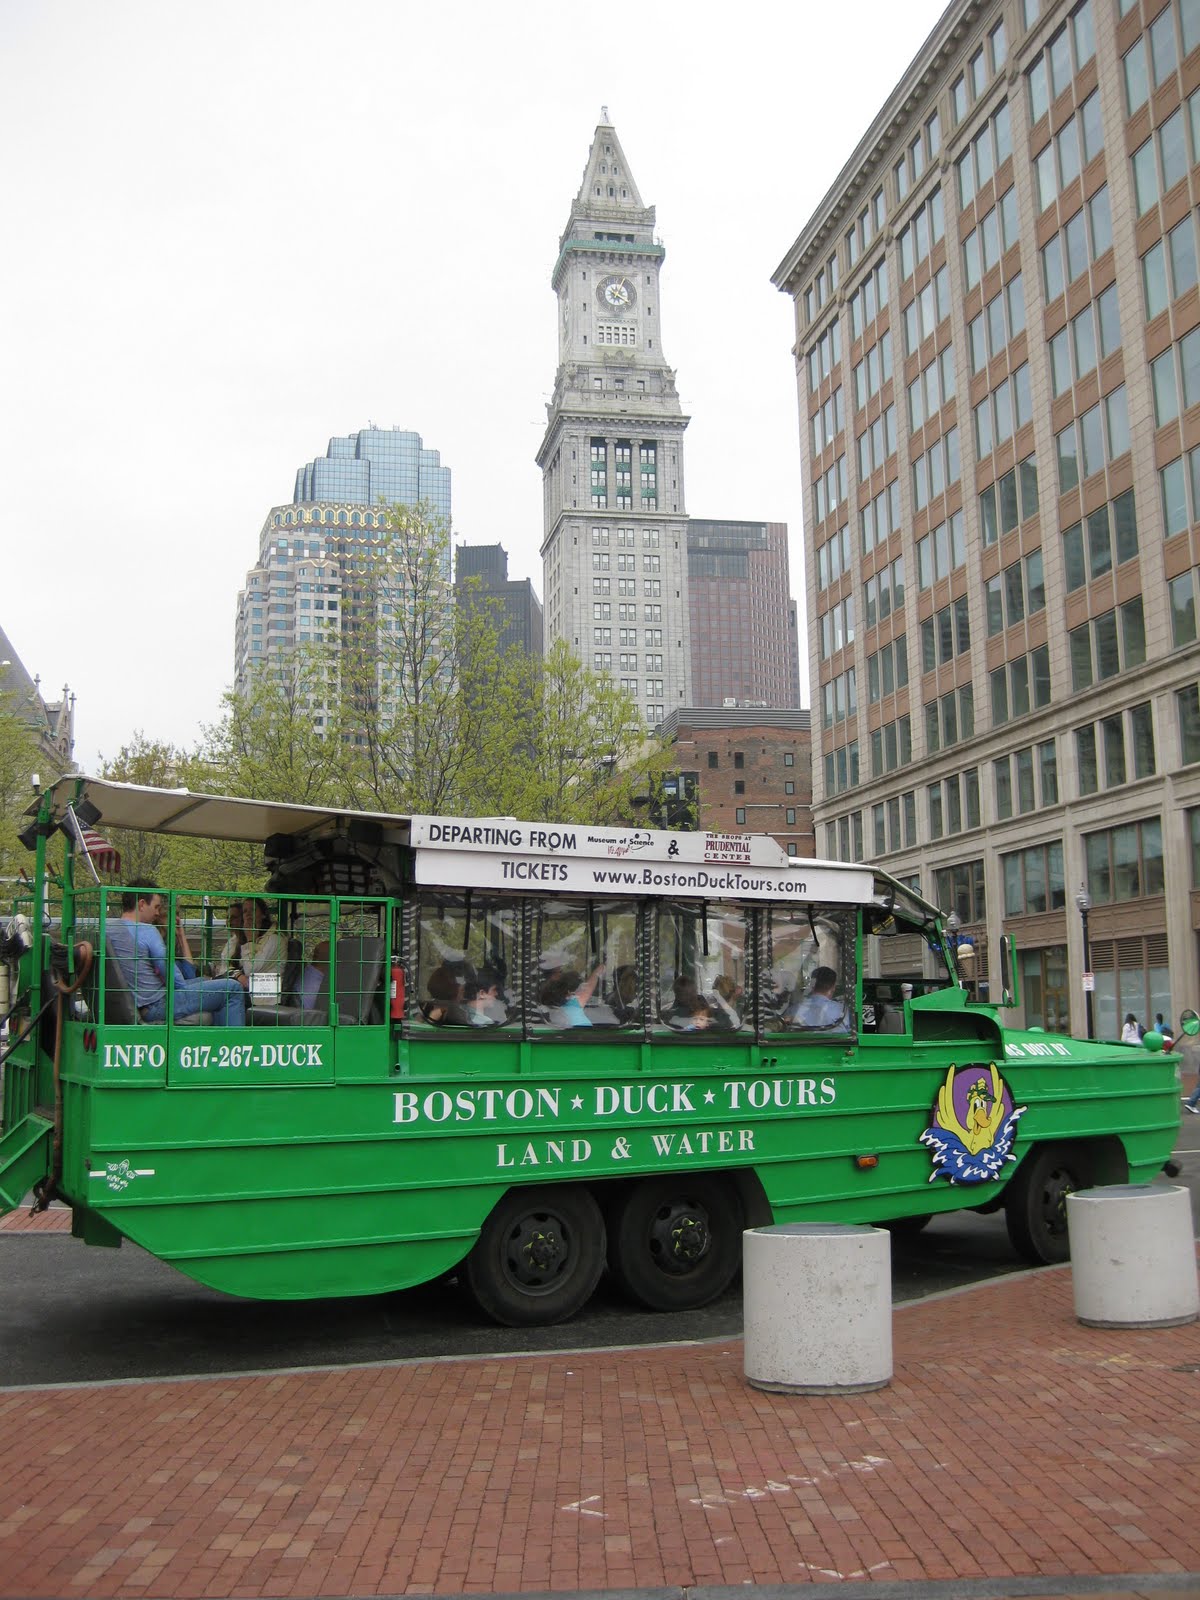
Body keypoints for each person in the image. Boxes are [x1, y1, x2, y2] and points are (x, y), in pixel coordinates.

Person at [108, 890, 245, 1027]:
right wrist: (191, 992)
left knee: (205, 982)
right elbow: (173, 977)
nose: (156, 913)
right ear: (142, 904)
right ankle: (234, 1045)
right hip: (156, 1004)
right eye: (156, 907)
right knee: (232, 988)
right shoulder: (146, 931)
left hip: (140, 1001)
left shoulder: (108, 930)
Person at [235, 899, 285, 998]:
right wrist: (237, 975)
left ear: (263, 914)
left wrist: (249, 940)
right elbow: (238, 963)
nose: (248, 915)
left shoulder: (274, 938)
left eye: (253, 910)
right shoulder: (257, 938)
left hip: (267, 994)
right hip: (252, 988)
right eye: (245, 911)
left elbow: (250, 970)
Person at [541, 962, 604, 1027]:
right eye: (580, 989)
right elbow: (589, 987)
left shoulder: (551, 1008)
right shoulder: (573, 1005)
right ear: (570, 993)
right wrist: (599, 970)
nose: (582, 991)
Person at [215, 901, 245, 977]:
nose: (229, 920)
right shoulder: (231, 941)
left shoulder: (247, 943)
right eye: (227, 917)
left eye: (234, 917)